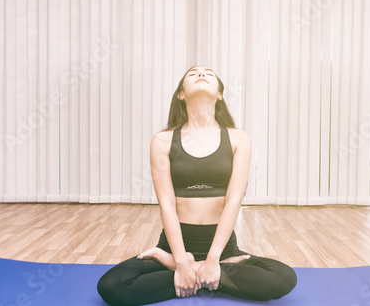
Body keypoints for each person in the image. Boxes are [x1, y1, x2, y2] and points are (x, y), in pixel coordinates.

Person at [97, 66, 297, 305]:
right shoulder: (163, 140)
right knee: (111, 286)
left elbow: (234, 200)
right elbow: (167, 204)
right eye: (192, 74)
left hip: (223, 250)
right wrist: (179, 260)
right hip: (175, 247)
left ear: (220, 94)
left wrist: (213, 259)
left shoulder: (238, 138)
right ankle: (199, 274)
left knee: (284, 278)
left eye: (209, 73)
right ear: (181, 94)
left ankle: (199, 273)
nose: (201, 74)